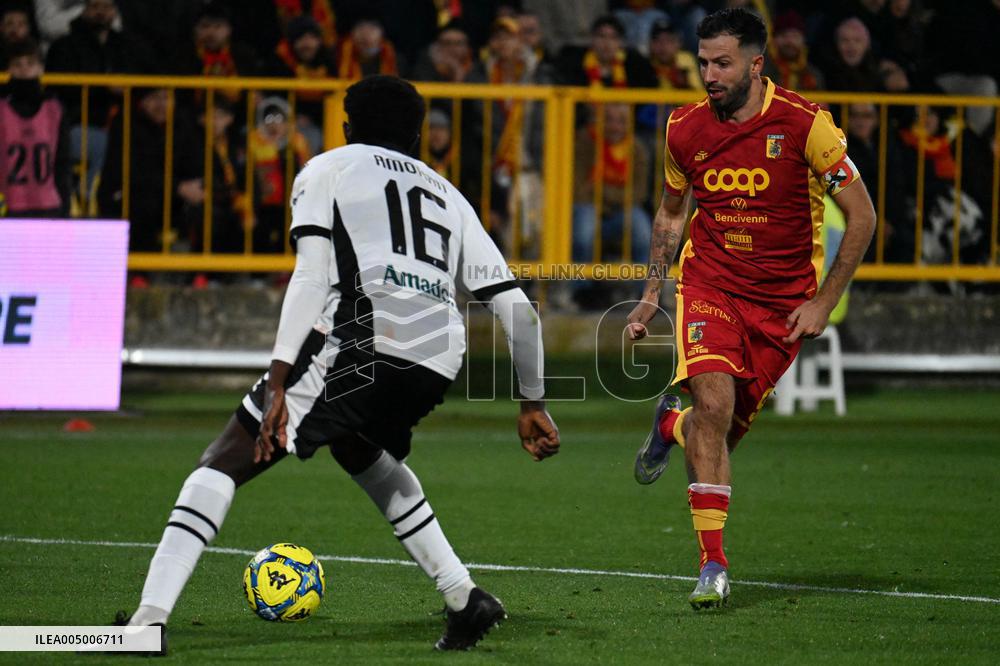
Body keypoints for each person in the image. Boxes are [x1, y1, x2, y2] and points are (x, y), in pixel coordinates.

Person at [117, 75, 560, 653]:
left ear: (348, 128)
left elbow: (310, 275)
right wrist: (532, 402)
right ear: (418, 135)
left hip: (361, 337)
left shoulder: (330, 168)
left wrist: (279, 375)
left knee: (223, 459)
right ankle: (464, 596)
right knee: (356, 445)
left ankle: (145, 624)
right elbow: (518, 311)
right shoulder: (450, 195)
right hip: (436, 353)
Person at [626, 8, 875, 609]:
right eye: (703, 61)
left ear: (755, 64)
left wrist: (824, 300)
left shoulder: (806, 126)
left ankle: (670, 425)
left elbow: (864, 217)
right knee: (714, 403)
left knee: (716, 436)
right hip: (709, 284)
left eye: (722, 63)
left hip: (781, 306)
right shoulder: (683, 129)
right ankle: (713, 564)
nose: (708, 74)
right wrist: (651, 294)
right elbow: (670, 213)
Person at [0, 39, 71, 218]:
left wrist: (65, 206)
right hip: (9, 204)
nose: (24, 69)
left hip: (48, 203)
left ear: (40, 68)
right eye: (17, 64)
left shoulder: (54, 108)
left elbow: (62, 161)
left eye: (30, 64)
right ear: (9, 69)